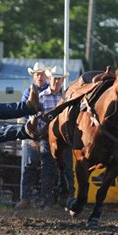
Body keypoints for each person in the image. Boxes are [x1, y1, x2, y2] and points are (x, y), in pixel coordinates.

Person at [27, 66, 74, 211]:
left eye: (59, 78)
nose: (57, 81)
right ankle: (47, 201)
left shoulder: (67, 97)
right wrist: (34, 137)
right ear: (50, 79)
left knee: (67, 169)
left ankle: (68, 200)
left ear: (62, 80)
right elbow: (34, 119)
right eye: (55, 78)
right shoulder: (41, 97)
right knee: (48, 168)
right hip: (46, 137)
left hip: (64, 139)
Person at [16, 62, 49, 210]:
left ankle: (42, 199)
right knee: (31, 164)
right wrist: (30, 137)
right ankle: (27, 198)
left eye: (42, 74)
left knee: (46, 166)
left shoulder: (50, 91)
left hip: (47, 134)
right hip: (33, 134)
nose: (40, 76)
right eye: (37, 74)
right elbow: (23, 113)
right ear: (34, 76)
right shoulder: (28, 92)